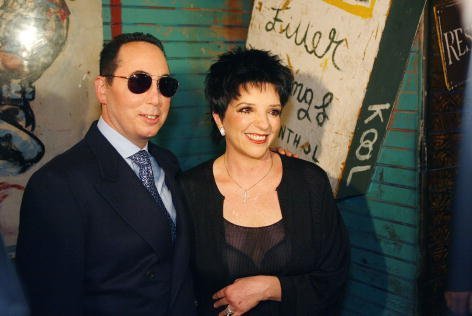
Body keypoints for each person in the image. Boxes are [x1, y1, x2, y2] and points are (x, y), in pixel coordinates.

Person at [15, 32, 195, 316]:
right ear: (102, 89)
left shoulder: (167, 164)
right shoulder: (58, 185)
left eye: (165, 85)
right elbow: (50, 302)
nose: (156, 98)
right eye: (140, 82)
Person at [180, 47, 350, 315]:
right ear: (219, 118)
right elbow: (179, 288)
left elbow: (334, 278)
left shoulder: (310, 183)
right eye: (247, 109)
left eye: (272, 111)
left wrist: (270, 287)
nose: (263, 125)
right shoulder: (189, 191)